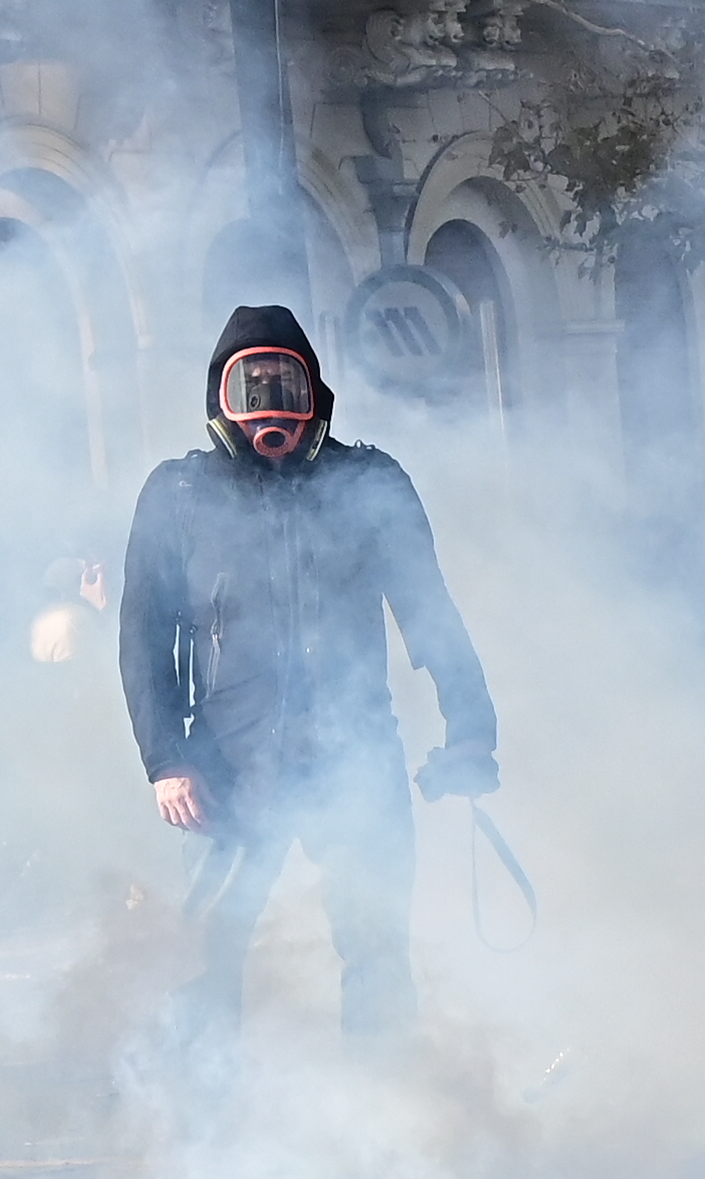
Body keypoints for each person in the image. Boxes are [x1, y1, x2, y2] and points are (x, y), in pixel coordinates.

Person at [119, 305, 499, 1041]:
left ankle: (385, 1100)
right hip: (225, 766)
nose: (270, 410)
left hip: (355, 757)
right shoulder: (178, 495)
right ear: (222, 399)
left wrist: (472, 733)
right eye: (251, 388)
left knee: (377, 949)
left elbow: (429, 613)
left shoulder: (370, 482)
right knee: (205, 955)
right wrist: (167, 761)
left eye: (286, 387)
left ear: (314, 396)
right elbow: (143, 637)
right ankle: (201, 1106)